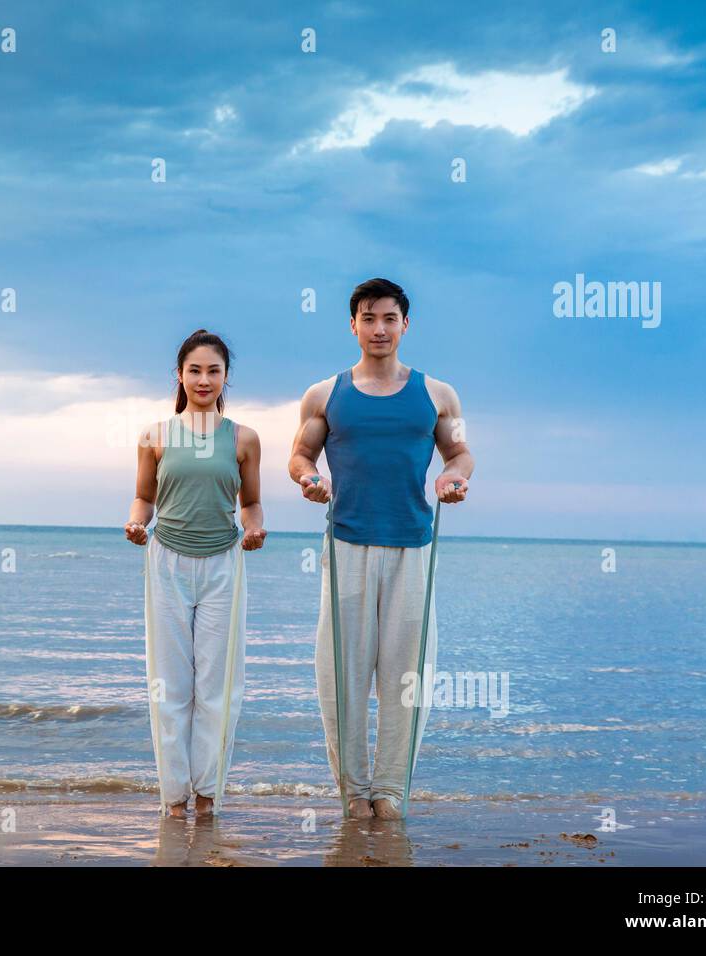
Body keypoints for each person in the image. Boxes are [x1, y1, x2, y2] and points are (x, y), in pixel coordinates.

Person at [288, 278, 475, 820]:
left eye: (389, 318)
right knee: (341, 676)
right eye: (368, 318)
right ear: (353, 324)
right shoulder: (324, 394)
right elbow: (300, 454)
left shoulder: (440, 395)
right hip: (346, 544)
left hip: (412, 546)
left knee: (405, 675)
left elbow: (461, 453)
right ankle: (353, 792)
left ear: (405, 325)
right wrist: (309, 480)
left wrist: (453, 481)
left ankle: (391, 790)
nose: (379, 329)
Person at [125, 329, 267, 818]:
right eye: (194, 370)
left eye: (214, 371)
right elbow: (144, 497)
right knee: (170, 685)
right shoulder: (154, 435)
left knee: (217, 686)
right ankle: (173, 799)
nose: (203, 380)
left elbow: (250, 504)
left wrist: (256, 530)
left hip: (224, 563)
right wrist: (136, 523)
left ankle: (207, 795)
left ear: (226, 377)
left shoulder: (243, 438)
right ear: (179, 375)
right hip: (166, 562)